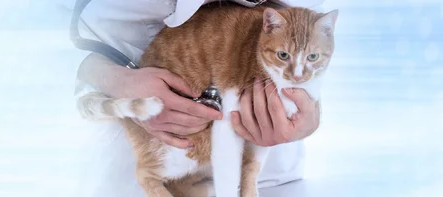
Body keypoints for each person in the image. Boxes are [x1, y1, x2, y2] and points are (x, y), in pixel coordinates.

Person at [74, 0, 325, 193]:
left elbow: (310, 43)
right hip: (151, 149)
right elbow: (69, 47)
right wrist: (118, 79)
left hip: (268, 172)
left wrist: (310, 116)